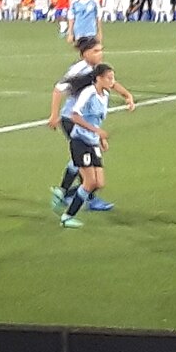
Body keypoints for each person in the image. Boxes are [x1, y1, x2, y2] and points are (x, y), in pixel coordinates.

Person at [49, 37, 135, 214]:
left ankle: (65, 192)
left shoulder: (96, 69)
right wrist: (54, 115)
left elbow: (110, 81)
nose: (100, 54)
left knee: (81, 158)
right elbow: (58, 90)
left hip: (83, 120)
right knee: (87, 159)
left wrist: (126, 95)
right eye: (96, 51)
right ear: (85, 53)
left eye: (101, 50)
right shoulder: (79, 69)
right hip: (72, 119)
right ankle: (84, 196)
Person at [58, 63, 120, 229]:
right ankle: (67, 216)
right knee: (89, 182)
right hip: (80, 141)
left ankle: (65, 194)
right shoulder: (89, 92)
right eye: (109, 78)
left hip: (92, 142)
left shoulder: (104, 95)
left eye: (113, 78)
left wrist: (100, 139)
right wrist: (97, 131)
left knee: (99, 183)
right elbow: (75, 116)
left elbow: (97, 119)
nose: (112, 81)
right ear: (98, 78)